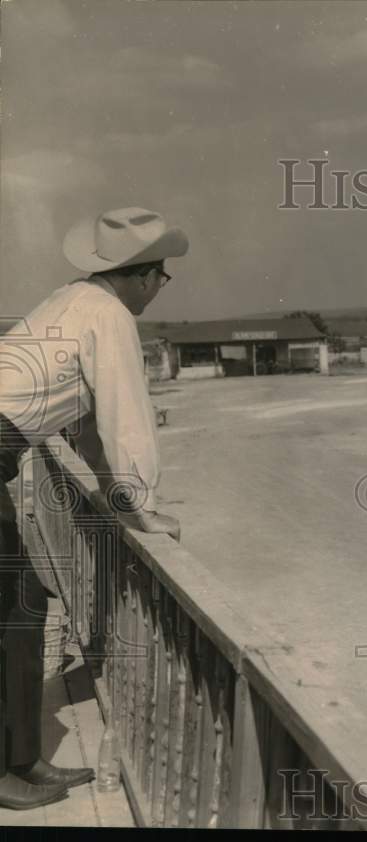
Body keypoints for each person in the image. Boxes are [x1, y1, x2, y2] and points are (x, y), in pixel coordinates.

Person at [0, 207, 187, 810]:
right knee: (11, 608)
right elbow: (125, 420)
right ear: (140, 274)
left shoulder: (71, 300)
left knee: (21, 603)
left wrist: (125, 506)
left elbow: (86, 433)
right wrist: (144, 506)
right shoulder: (108, 316)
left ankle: (20, 760)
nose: (161, 288)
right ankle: (8, 769)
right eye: (162, 275)